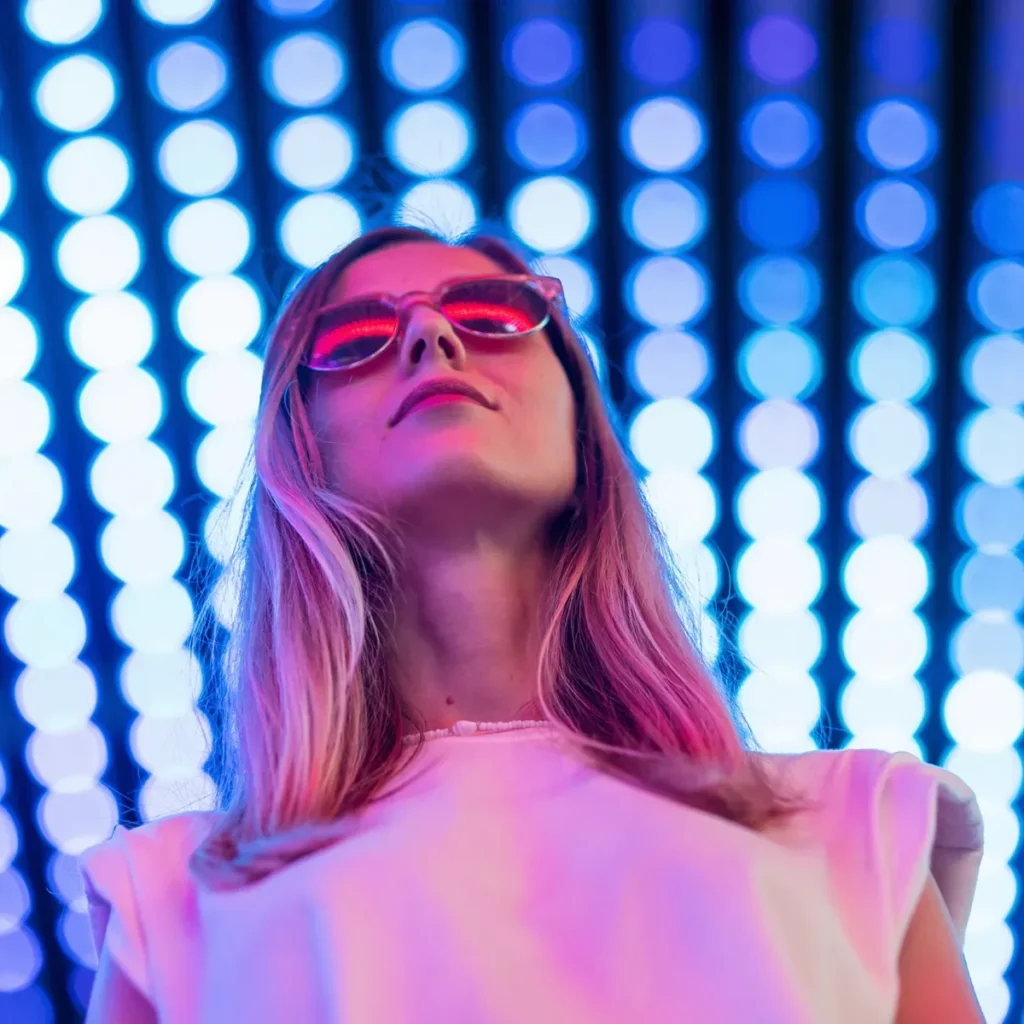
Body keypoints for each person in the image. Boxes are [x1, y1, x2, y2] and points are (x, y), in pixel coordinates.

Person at [81, 226, 985, 1023]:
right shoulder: (180, 903)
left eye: (493, 315)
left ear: (584, 427)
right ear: (300, 450)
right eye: (355, 338)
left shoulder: (848, 828)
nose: (431, 337)